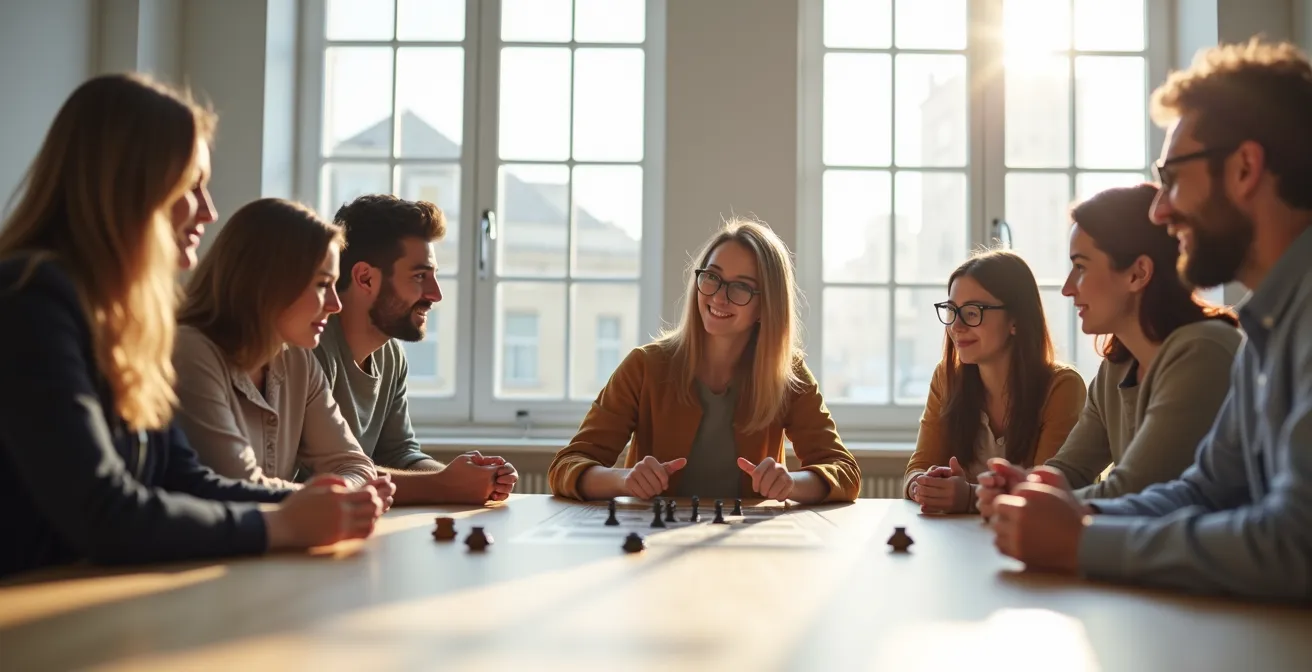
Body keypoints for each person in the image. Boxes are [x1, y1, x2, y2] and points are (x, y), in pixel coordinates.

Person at [0, 74, 381, 578]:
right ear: (130, 186)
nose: (209, 210)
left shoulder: (128, 323)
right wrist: (281, 524)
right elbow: (103, 512)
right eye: (192, 186)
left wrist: (315, 505)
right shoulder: (29, 298)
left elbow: (186, 480)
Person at [990, 40, 1312, 601]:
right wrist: (1065, 516)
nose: (1161, 210)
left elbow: (1296, 545)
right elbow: (1203, 490)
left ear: (1244, 168)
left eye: (1174, 179)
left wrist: (1080, 541)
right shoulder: (1266, 330)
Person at [548, 217, 861, 503]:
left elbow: (844, 472)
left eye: (741, 287)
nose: (719, 296)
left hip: (746, 540)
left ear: (767, 306)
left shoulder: (787, 373)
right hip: (655, 537)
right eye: (712, 277)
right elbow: (566, 466)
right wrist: (625, 480)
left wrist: (790, 484)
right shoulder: (643, 367)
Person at [977, 185, 1241, 517]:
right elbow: (1069, 470)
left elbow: (1134, 491)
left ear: (1138, 273)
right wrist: (1020, 487)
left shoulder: (1203, 352)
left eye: (1081, 267)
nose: (1067, 288)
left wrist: (1032, 500)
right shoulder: (1116, 368)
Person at [174, 198, 393, 507]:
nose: (335, 305)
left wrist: (339, 494)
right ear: (268, 282)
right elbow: (236, 486)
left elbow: (355, 465)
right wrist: (336, 497)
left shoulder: (296, 359)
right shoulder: (190, 351)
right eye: (322, 284)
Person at [319, 195, 517, 505]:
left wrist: (468, 479)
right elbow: (319, 476)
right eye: (420, 276)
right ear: (365, 278)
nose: (435, 294)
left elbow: (399, 454)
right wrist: (446, 485)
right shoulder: (312, 347)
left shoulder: (391, 355)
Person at [904, 250, 1086, 514]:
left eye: (972, 312)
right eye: (952, 311)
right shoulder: (946, 378)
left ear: (1016, 320)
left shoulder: (1062, 387)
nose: (956, 326)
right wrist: (922, 486)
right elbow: (917, 467)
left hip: (1033, 537)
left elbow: (1045, 492)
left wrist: (970, 497)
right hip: (958, 536)